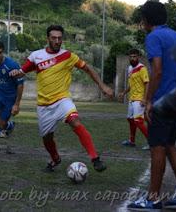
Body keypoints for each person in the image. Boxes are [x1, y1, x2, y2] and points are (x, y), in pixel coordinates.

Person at [9, 25, 113, 172]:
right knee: (47, 138)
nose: (57, 41)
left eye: (59, 38)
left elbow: (88, 69)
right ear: (48, 39)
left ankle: (95, 159)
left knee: (75, 122)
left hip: (62, 100)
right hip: (44, 105)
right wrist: (15, 72)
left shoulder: (68, 56)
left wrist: (102, 86)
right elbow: (22, 71)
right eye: (54, 38)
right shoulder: (36, 56)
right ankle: (55, 158)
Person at [128, 1, 176, 210]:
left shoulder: (153, 37)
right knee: (170, 145)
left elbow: (158, 70)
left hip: (163, 100)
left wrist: (148, 101)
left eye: (142, 19)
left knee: (157, 148)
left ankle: (153, 198)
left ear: (146, 20)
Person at [118, 49, 149, 149]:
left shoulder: (142, 68)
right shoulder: (130, 69)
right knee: (130, 119)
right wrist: (124, 92)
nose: (132, 58)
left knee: (138, 121)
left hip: (139, 99)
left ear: (138, 57)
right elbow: (131, 85)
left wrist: (144, 98)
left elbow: (147, 83)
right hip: (131, 98)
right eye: (131, 57)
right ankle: (132, 141)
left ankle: (152, 142)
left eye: (134, 56)